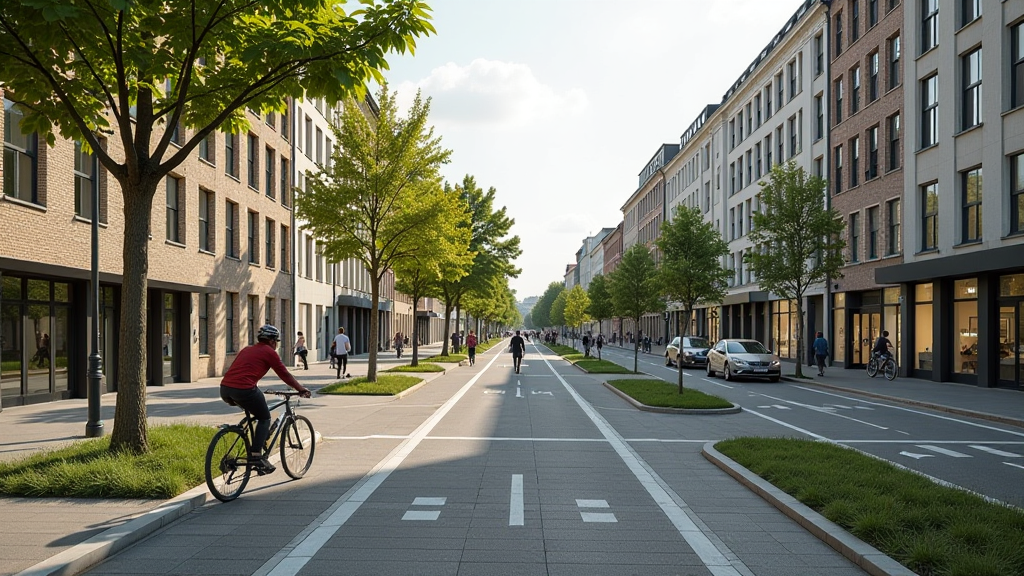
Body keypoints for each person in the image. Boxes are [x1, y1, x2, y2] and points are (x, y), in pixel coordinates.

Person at [219, 324, 311, 474]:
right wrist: (300, 389)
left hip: (225, 389)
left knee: (256, 413)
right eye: (276, 342)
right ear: (272, 341)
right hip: (244, 389)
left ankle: (257, 443)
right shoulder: (269, 352)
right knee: (264, 417)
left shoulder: (247, 349)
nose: (276, 345)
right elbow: (284, 374)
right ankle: (256, 456)